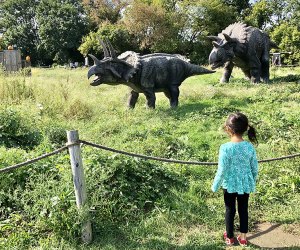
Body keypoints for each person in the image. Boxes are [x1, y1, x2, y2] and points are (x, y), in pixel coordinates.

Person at [211, 112, 258, 246]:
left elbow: (222, 170)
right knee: (243, 209)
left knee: (229, 210)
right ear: (245, 129)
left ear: (228, 128)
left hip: (229, 185)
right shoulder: (249, 146)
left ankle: (230, 237)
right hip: (245, 184)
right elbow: (254, 167)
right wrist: (252, 180)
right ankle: (243, 238)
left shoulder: (225, 148)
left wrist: (215, 186)